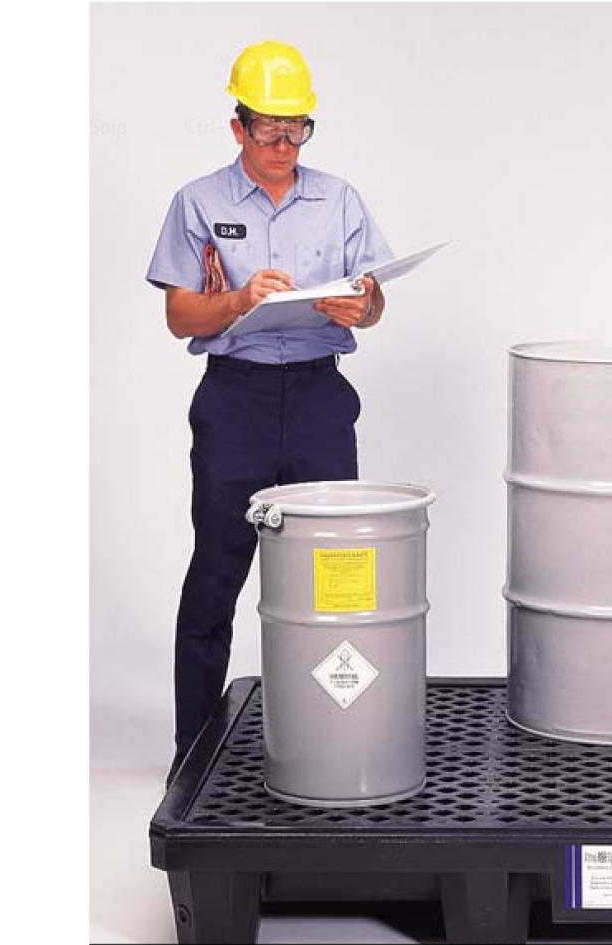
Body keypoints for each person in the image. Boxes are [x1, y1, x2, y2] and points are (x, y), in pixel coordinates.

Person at [146, 40, 392, 785]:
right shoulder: (198, 203)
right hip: (237, 401)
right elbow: (181, 316)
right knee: (217, 570)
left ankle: (335, 744)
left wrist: (363, 305)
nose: (285, 147)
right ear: (238, 126)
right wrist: (237, 299)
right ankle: (194, 751)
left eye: (297, 131)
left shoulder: (339, 199)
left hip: (320, 398)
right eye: (270, 131)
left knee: (335, 576)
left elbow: (374, 299)